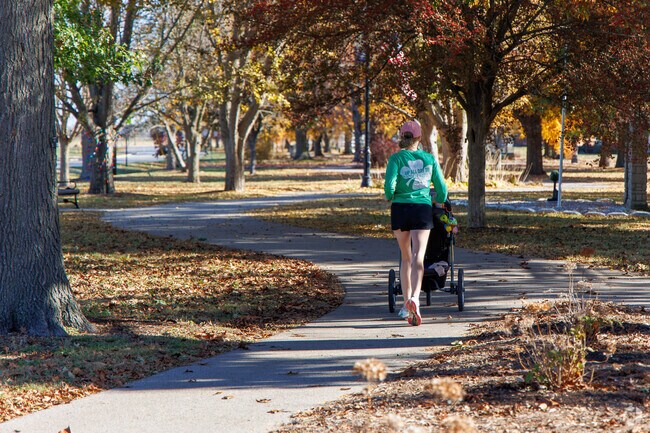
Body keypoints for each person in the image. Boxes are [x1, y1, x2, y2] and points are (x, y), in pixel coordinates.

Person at [384, 120, 447, 326]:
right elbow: (442, 189)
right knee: (419, 257)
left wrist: (391, 195)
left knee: (406, 258)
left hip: (401, 209)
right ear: (419, 138)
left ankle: (405, 305)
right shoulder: (429, 159)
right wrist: (437, 199)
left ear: (402, 137)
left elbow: (389, 188)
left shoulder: (396, 159)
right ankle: (416, 301)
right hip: (422, 209)